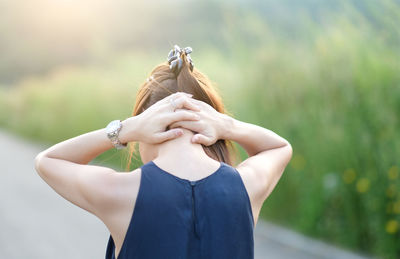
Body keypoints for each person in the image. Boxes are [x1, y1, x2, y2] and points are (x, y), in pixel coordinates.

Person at [34, 45, 293, 259]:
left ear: (146, 125)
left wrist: (125, 129)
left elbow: (48, 161)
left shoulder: (122, 192)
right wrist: (229, 126)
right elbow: (279, 147)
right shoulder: (245, 187)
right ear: (209, 120)